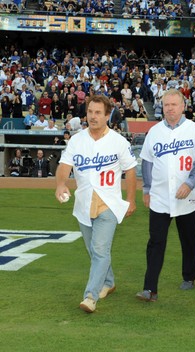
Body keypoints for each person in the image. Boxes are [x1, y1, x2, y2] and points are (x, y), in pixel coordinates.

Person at [55, 95, 138, 313]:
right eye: (90, 112)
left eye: (98, 112)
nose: (93, 116)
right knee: (94, 251)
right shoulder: (77, 140)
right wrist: (61, 184)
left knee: (100, 250)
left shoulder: (118, 141)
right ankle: (108, 283)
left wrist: (130, 199)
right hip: (83, 204)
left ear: (107, 115)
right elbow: (64, 166)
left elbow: (130, 170)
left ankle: (90, 296)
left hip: (108, 205)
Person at [136, 89, 195, 302]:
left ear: (183, 106)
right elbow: (148, 162)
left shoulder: (194, 130)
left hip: (187, 196)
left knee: (188, 240)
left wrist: (189, 183)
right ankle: (150, 289)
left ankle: (189, 276)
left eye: (174, 104)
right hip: (159, 196)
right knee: (156, 241)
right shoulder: (155, 131)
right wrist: (147, 189)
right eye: (166, 104)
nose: (170, 108)